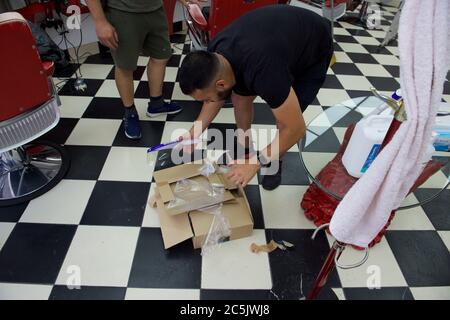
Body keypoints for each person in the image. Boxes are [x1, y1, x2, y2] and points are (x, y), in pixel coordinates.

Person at [178, 5, 334, 190]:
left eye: (207, 99)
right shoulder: (216, 54)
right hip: (278, 39)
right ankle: (245, 147)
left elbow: (296, 129)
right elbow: (220, 97)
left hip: (313, 47)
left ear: (220, 83)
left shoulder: (266, 74)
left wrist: (255, 162)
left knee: (284, 123)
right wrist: (194, 131)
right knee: (240, 98)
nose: (208, 103)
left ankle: (275, 161)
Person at [86, 0, 200, 139]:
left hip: (155, 8)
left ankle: (156, 104)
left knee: (161, 57)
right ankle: (130, 112)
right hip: (123, 12)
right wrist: (100, 21)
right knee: (125, 66)